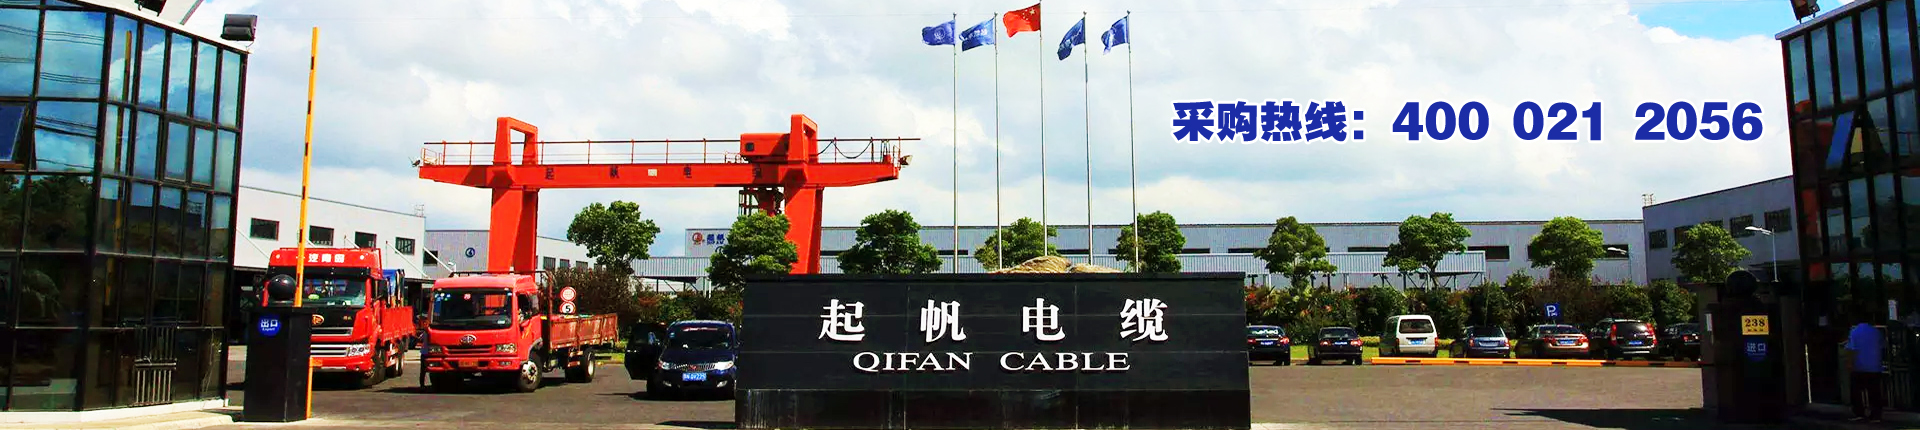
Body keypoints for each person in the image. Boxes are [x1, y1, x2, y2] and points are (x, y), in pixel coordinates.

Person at [1845, 314, 1886, 423]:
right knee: (1874, 391)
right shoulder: (1876, 332)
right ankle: (1876, 414)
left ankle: (1859, 412)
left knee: (1856, 391)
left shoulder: (1855, 331)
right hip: (1875, 366)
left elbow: (1851, 349)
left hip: (1860, 366)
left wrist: (1849, 363)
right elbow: (1882, 346)